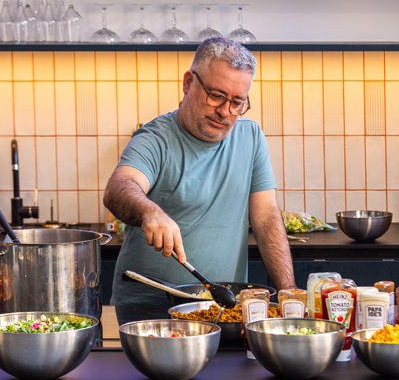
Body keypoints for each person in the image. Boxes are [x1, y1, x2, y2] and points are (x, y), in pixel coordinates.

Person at [103, 37, 296, 324]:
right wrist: (150, 211)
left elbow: (266, 217)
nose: (225, 112)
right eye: (216, 96)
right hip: (149, 310)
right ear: (188, 83)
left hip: (221, 310)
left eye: (237, 102)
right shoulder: (155, 139)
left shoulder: (250, 137)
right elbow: (119, 188)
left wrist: (288, 292)